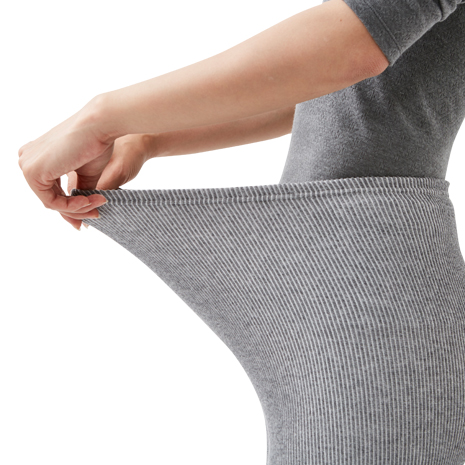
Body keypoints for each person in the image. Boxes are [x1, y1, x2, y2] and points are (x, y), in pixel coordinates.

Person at [19, 0, 465, 463]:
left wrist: (101, 118)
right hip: (348, 275)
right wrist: (146, 137)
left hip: (372, 288)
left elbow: (353, 47)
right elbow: (331, 83)